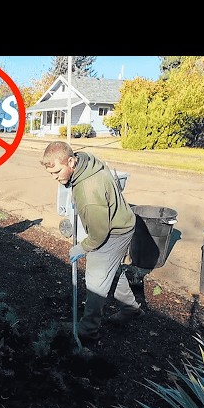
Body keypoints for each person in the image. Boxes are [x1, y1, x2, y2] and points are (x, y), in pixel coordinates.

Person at [41, 141, 144, 342]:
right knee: (111, 272)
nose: (55, 178)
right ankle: (131, 309)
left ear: (71, 161)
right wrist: (71, 187)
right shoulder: (85, 161)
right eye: (51, 174)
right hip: (123, 222)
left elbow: (99, 234)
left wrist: (83, 247)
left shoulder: (88, 191)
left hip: (113, 232)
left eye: (57, 172)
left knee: (96, 281)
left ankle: (88, 330)